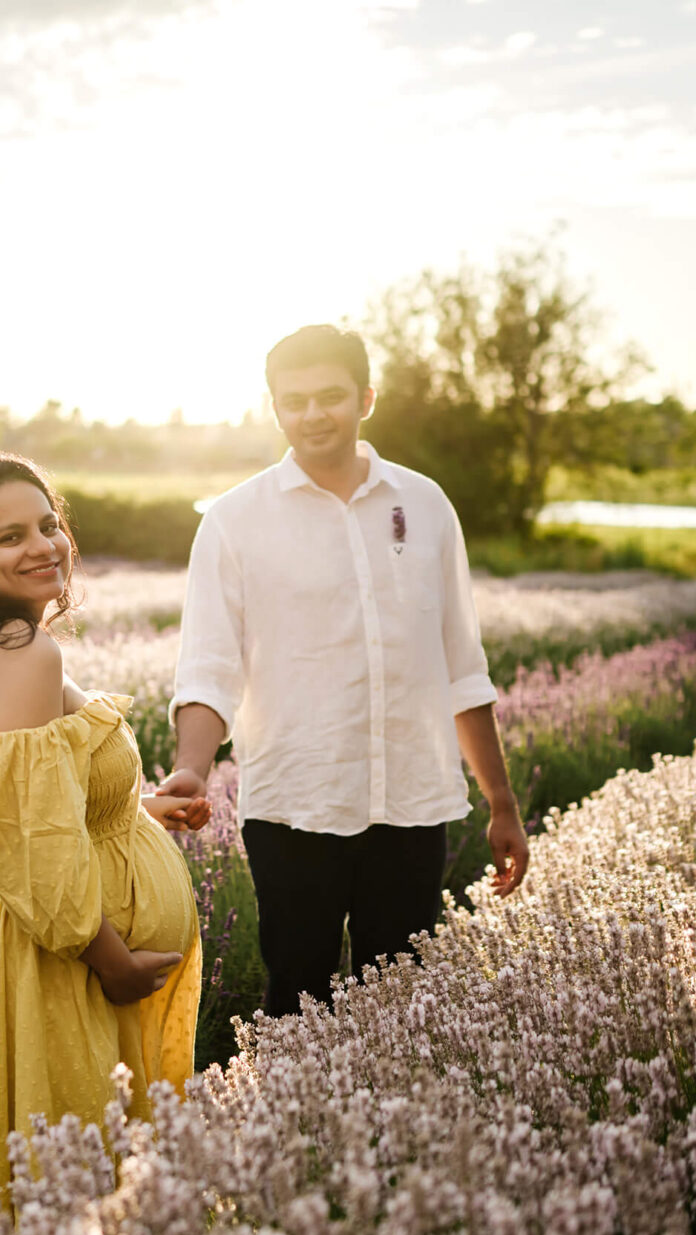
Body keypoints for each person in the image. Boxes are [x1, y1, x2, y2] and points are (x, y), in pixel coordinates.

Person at [158, 324, 530, 1019]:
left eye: (330, 395)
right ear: (274, 408)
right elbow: (208, 667)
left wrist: (502, 801)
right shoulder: (235, 522)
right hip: (295, 805)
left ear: (365, 397)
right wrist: (192, 767)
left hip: (413, 803)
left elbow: (462, 663)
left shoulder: (423, 506)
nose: (311, 413)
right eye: (292, 400)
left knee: (404, 1009)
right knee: (298, 1001)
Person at [0, 452, 206, 1213]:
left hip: (36, 953)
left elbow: (29, 805)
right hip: (60, 973)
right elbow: (31, 841)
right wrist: (112, 959)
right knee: (69, 1196)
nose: (44, 545)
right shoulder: (22, 653)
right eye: (10, 536)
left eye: (49, 524)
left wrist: (136, 811)